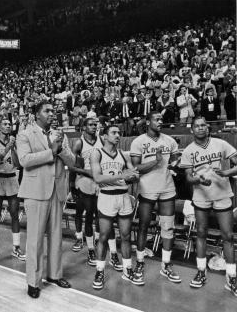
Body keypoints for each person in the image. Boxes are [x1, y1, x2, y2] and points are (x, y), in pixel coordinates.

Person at [17, 99, 75, 299]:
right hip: (35, 191)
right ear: (36, 114)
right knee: (35, 239)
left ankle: (54, 274)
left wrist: (60, 148)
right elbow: (25, 161)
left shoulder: (60, 135)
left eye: (53, 111)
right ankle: (33, 281)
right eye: (47, 111)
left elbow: (72, 161)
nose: (52, 114)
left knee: (56, 236)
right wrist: (51, 151)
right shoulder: (25, 134)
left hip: (57, 190)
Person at [180, 116, 237, 295]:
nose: (201, 128)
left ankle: (231, 277)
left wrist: (227, 171)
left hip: (222, 194)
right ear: (192, 130)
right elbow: (188, 177)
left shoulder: (221, 144)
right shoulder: (188, 150)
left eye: (204, 125)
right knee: (201, 233)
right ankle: (201, 271)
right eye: (197, 126)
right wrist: (199, 180)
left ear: (208, 127)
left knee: (228, 235)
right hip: (201, 196)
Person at [130, 111, 181, 284]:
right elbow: (136, 168)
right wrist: (156, 161)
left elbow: (174, 161)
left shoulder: (170, 141)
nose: (160, 121)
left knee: (168, 227)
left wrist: (177, 163)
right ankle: (140, 263)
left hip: (167, 188)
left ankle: (166, 265)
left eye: (161, 119)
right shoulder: (138, 142)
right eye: (157, 119)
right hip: (147, 189)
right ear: (148, 122)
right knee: (144, 226)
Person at [90, 125, 143, 289]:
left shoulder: (122, 153)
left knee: (126, 236)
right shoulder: (97, 153)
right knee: (104, 236)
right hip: (106, 197)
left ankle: (128, 270)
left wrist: (133, 176)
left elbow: (133, 174)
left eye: (119, 132)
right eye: (113, 132)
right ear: (105, 136)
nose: (118, 135)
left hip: (123, 197)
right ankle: (99, 271)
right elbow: (98, 178)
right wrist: (123, 176)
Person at [69, 118, 121, 269]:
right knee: (89, 215)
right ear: (84, 127)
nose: (94, 127)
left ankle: (105, 247)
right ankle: (90, 249)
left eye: (95, 125)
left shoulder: (102, 140)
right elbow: (73, 166)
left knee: (104, 217)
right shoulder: (79, 143)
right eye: (90, 124)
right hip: (85, 182)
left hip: (101, 182)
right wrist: (72, 185)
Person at [0, 117, 25, 263]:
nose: (8, 126)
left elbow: (18, 164)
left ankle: (16, 248)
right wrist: (8, 147)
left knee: (14, 214)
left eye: (9, 124)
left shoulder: (14, 143)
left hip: (12, 179)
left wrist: (13, 148)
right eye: (5, 124)